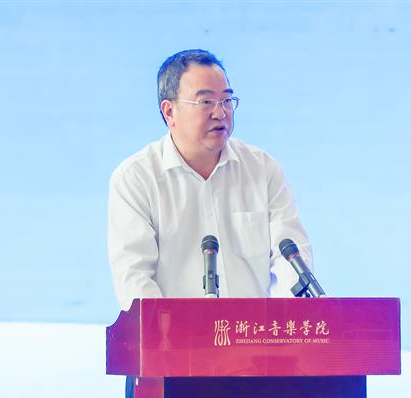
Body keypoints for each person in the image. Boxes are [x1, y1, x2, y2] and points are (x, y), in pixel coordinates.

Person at [108, 49, 312, 317]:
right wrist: (171, 336)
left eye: (227, 100)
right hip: (176, 339)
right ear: (169, 112)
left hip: (255, 337)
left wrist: (288, 327)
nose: (220, 112)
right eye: (206, 102)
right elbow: (134, 280)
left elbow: (293, 263)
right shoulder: (136, 179)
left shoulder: (263, 170)